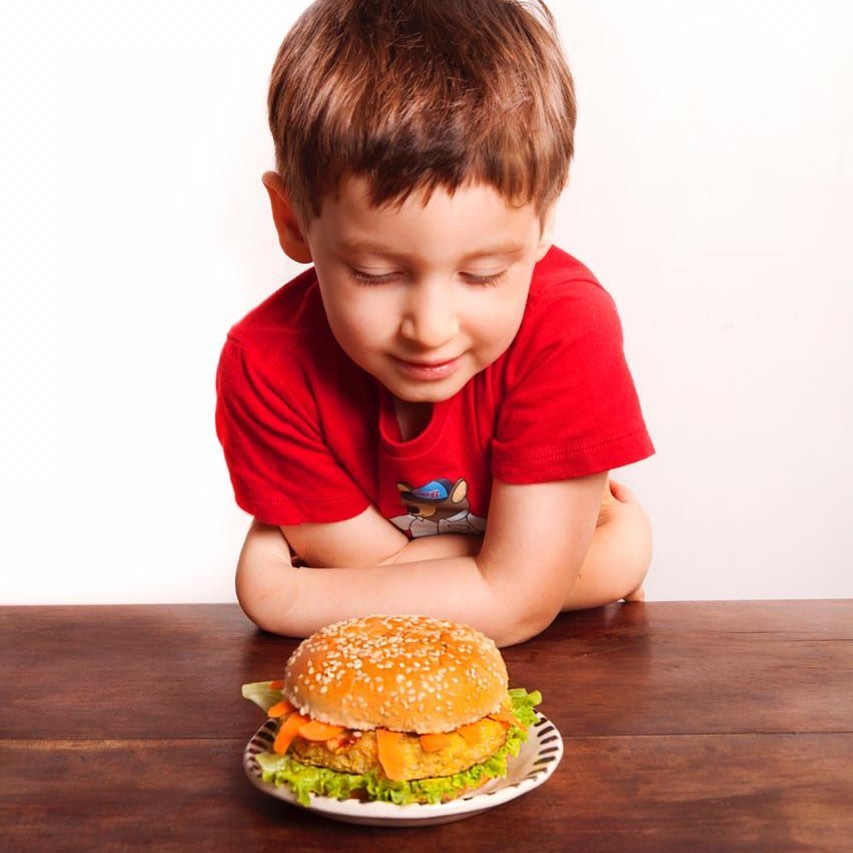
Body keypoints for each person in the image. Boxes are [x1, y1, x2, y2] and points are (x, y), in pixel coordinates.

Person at [215, 0, 654, 647]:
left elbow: (511, 603)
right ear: (292, 222)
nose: (429, 326)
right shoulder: (265, 367)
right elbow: (386, 575)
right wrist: (569, 567)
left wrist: (282, 594)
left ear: (542, 221)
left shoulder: (566, 326)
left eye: (481, 274)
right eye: (375, 272)